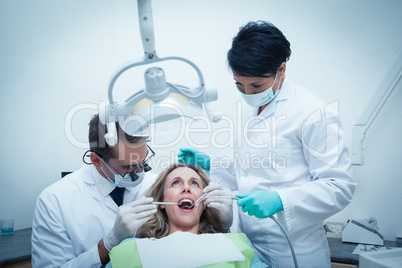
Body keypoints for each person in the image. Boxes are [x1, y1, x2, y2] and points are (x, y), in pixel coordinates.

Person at [178, 21, 357, 267]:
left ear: (281, 69)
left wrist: (281, 200)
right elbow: (253, 170)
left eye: (256, 86)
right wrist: (212, 165)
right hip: (251, 245)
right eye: (239, 85)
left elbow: (340, 186)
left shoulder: (314, 113)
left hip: (297, 250)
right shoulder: (250, 108)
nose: (248, 94)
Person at [31, 114, 158, 267]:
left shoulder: (154, 184)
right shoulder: (54, 201)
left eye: (143, 162)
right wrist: (109, 243)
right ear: (96, 160)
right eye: (128, 167)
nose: (140, 173)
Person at [106, 163, 268, 267]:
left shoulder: (238, 243)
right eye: (176, 182)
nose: (186, 188)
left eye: (194, 183)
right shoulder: (130, 248)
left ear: (205, 201)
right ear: (161, 202)